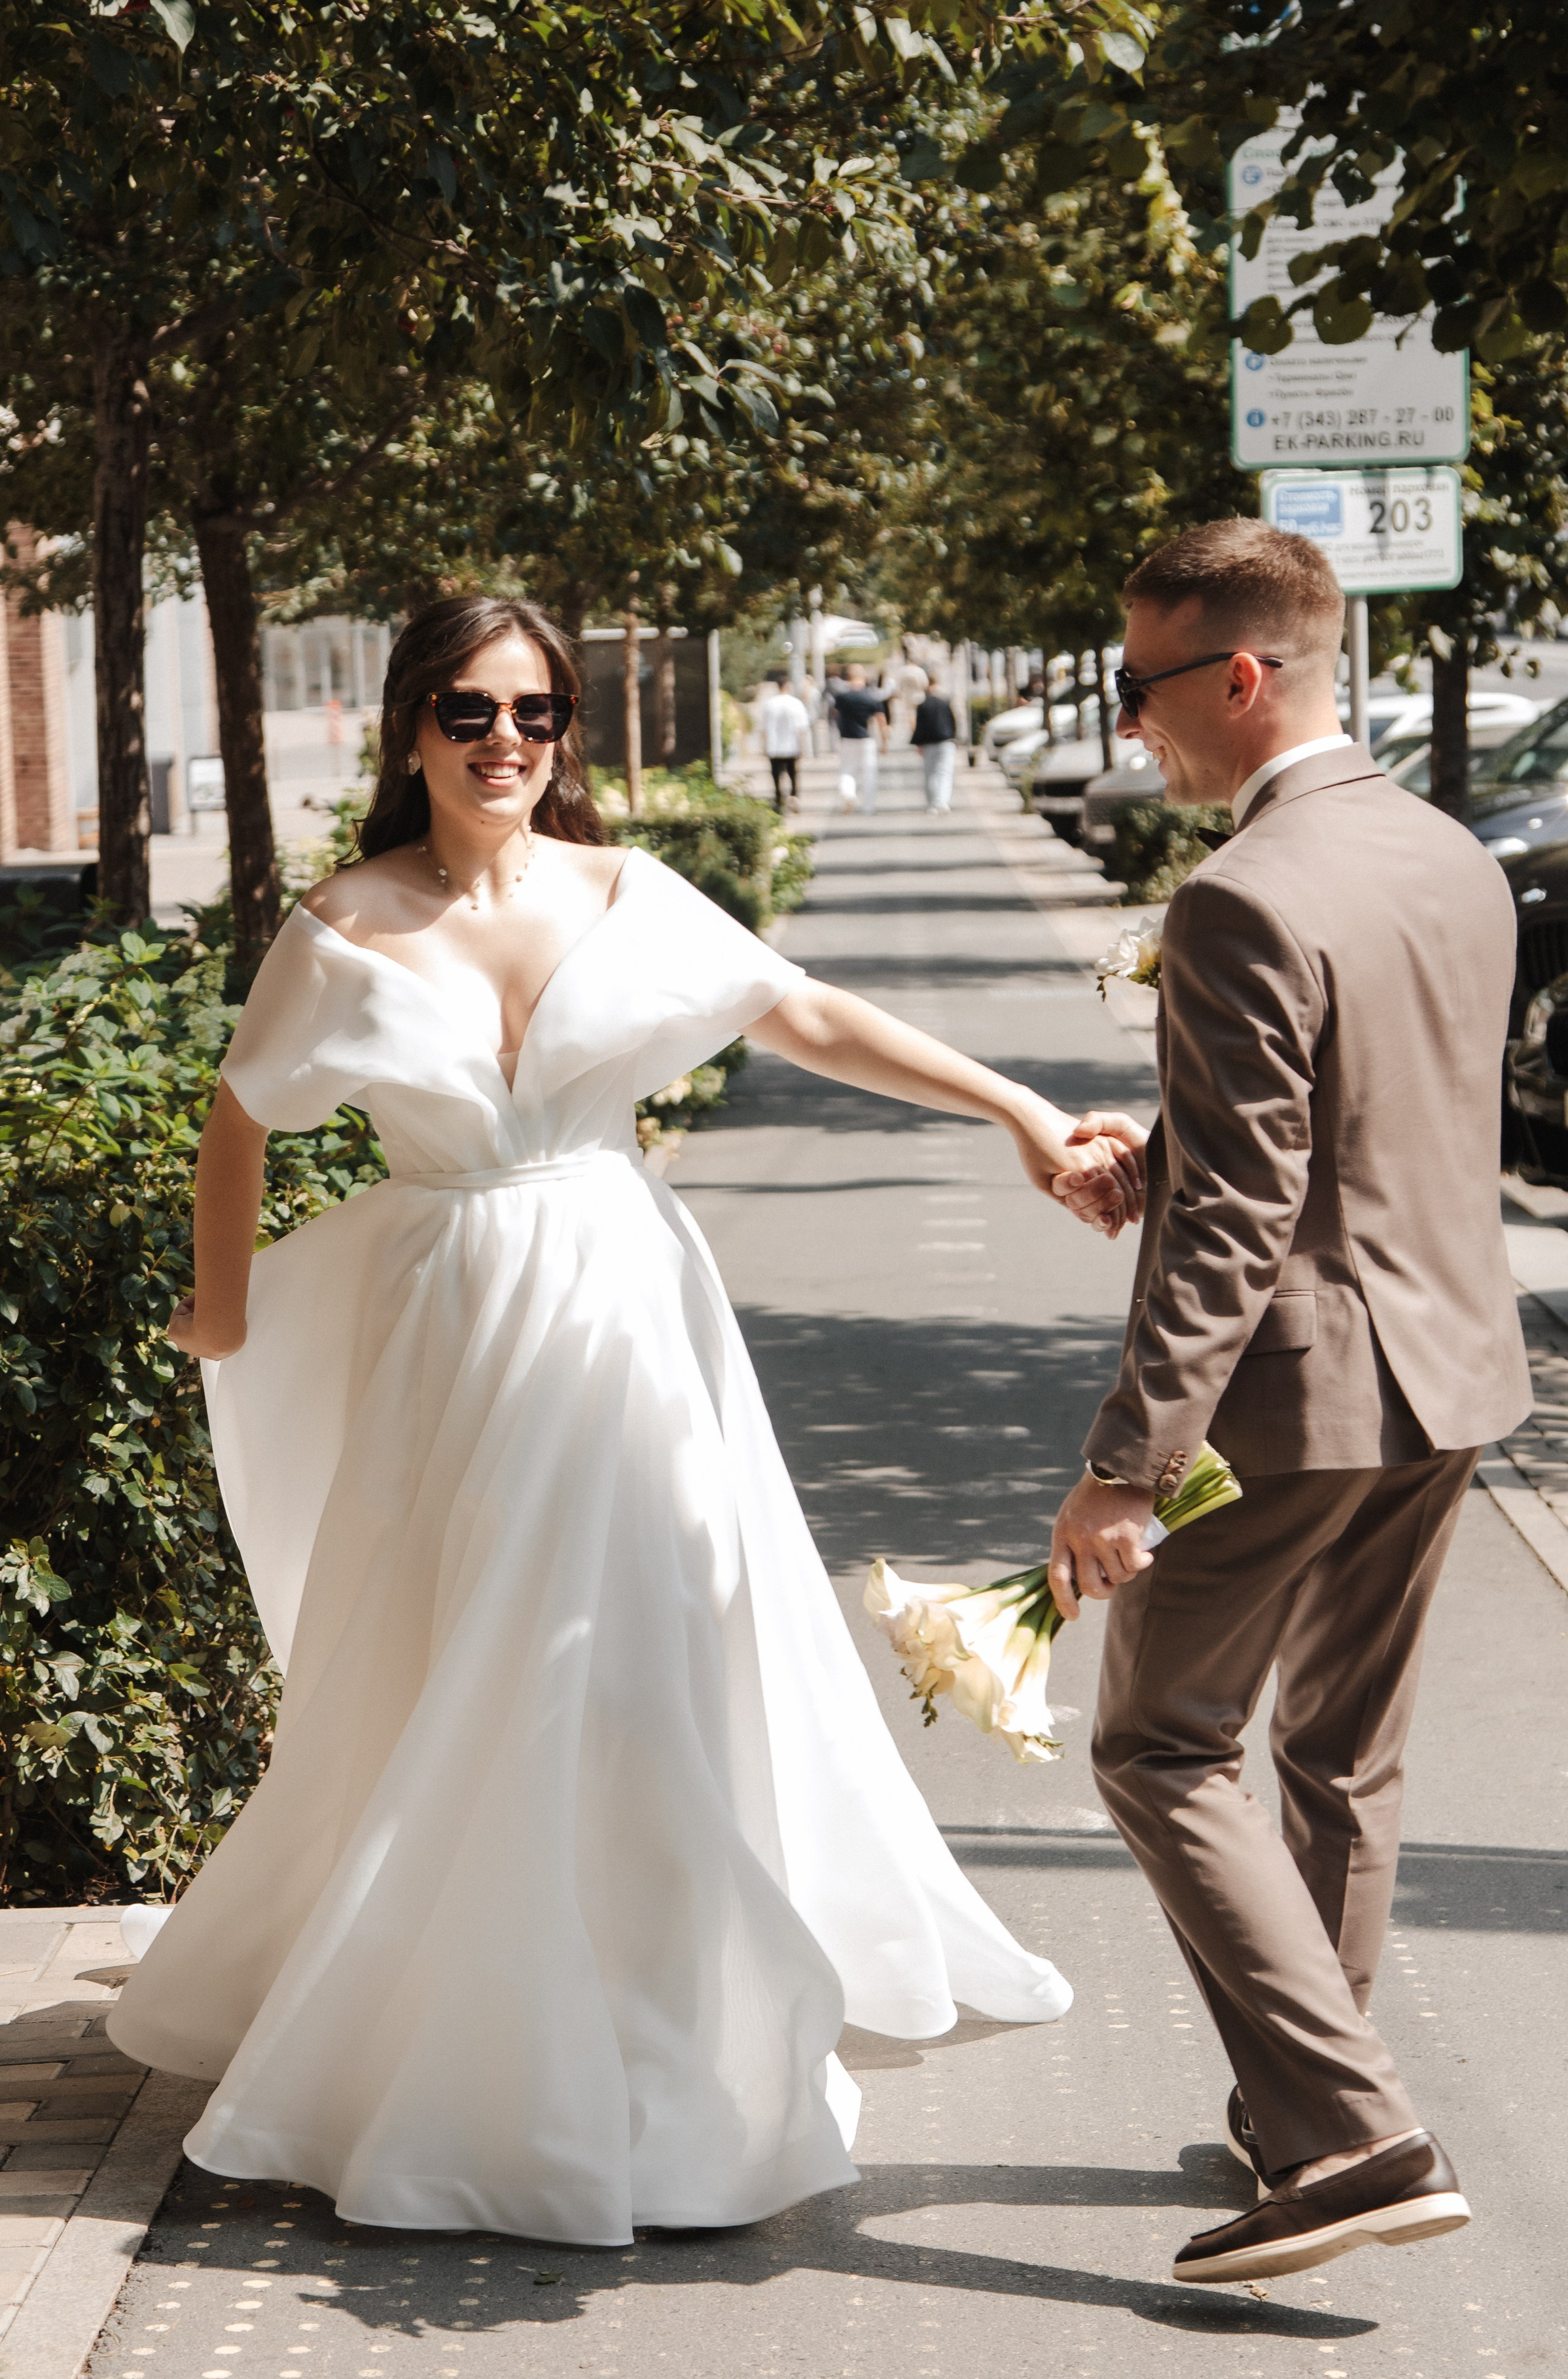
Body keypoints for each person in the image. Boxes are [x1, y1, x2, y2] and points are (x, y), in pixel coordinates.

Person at [108, 594, 1139, 2247]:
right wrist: (220, 1303)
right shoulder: (343, 924)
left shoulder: (627, 891)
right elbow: (238, 1111)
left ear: (564, 730)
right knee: (466, 1649)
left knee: (637, 1635)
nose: (503, 739)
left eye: (534, 712)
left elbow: (799, 1011)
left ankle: (667, 2023)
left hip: (629, 1307)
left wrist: (1017, 1109)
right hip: (449, 1322)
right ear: (409, 728)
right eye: (467, 710)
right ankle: (456, 2016)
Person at [1048, 518, 1530, 2287]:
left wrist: (1128, 1469)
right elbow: (1356, 1121)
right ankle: (1297, 2114)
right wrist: (1155, 1160)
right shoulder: (1444, 853)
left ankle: (1350, 2134)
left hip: (1299, 1401)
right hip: (1451, 1378)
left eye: (1142, 688)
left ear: (1241, 677)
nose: (1131, 729)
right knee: (1339, 1758)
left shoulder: (1241, 895)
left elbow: (1251, 1223)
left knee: (1160, 1746)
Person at [829, 663, 890, 813]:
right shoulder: (871, 696)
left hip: (847, 739)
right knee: (869, 773)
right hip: (866, 740)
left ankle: (848, 793)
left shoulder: (842, 697)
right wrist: (884, 742)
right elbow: (881, 720)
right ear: (863, 677)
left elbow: (835, 715)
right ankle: (868, 807)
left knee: (847, 770)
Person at [756, 670, 810, 812]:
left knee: (776, 774)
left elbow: (763, 729)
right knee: (793, 773)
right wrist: (802, 747)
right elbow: (801, 729)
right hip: (792, 745)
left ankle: (779, 797)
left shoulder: (769, 704)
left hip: (774, 746)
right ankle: (794, 796)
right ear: (788, 686)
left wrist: (764, 746)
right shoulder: (796, 704)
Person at [910, 682, 959, 814]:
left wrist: (918, 743)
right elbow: (953, 721)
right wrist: (955, 737)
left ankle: (932, 804)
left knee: (930, 774)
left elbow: (919, 726)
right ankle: (943, 802)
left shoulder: (922, 705)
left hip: (929, 743)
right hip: (946, 741)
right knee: (945, 773)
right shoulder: (945, 702)